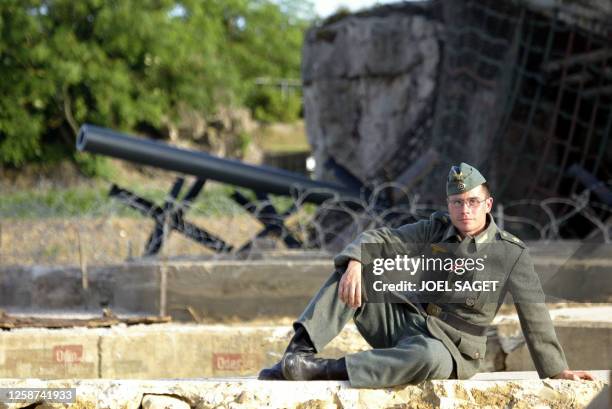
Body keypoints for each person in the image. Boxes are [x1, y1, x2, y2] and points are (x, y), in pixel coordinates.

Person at [258, 162, 594, 387]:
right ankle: (296, 355)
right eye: (458, 203)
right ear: (449, 206)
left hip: (454, 351)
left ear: (488, 204)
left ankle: (324, 370)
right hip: (409, 326)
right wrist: (357, 262)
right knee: (356, 269)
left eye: (474, 202)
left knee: (428, 356)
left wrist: (555, 369)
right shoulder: (434, 228)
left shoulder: (511, 253)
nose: (466, 210)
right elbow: (381, 239)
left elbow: (534, 312)